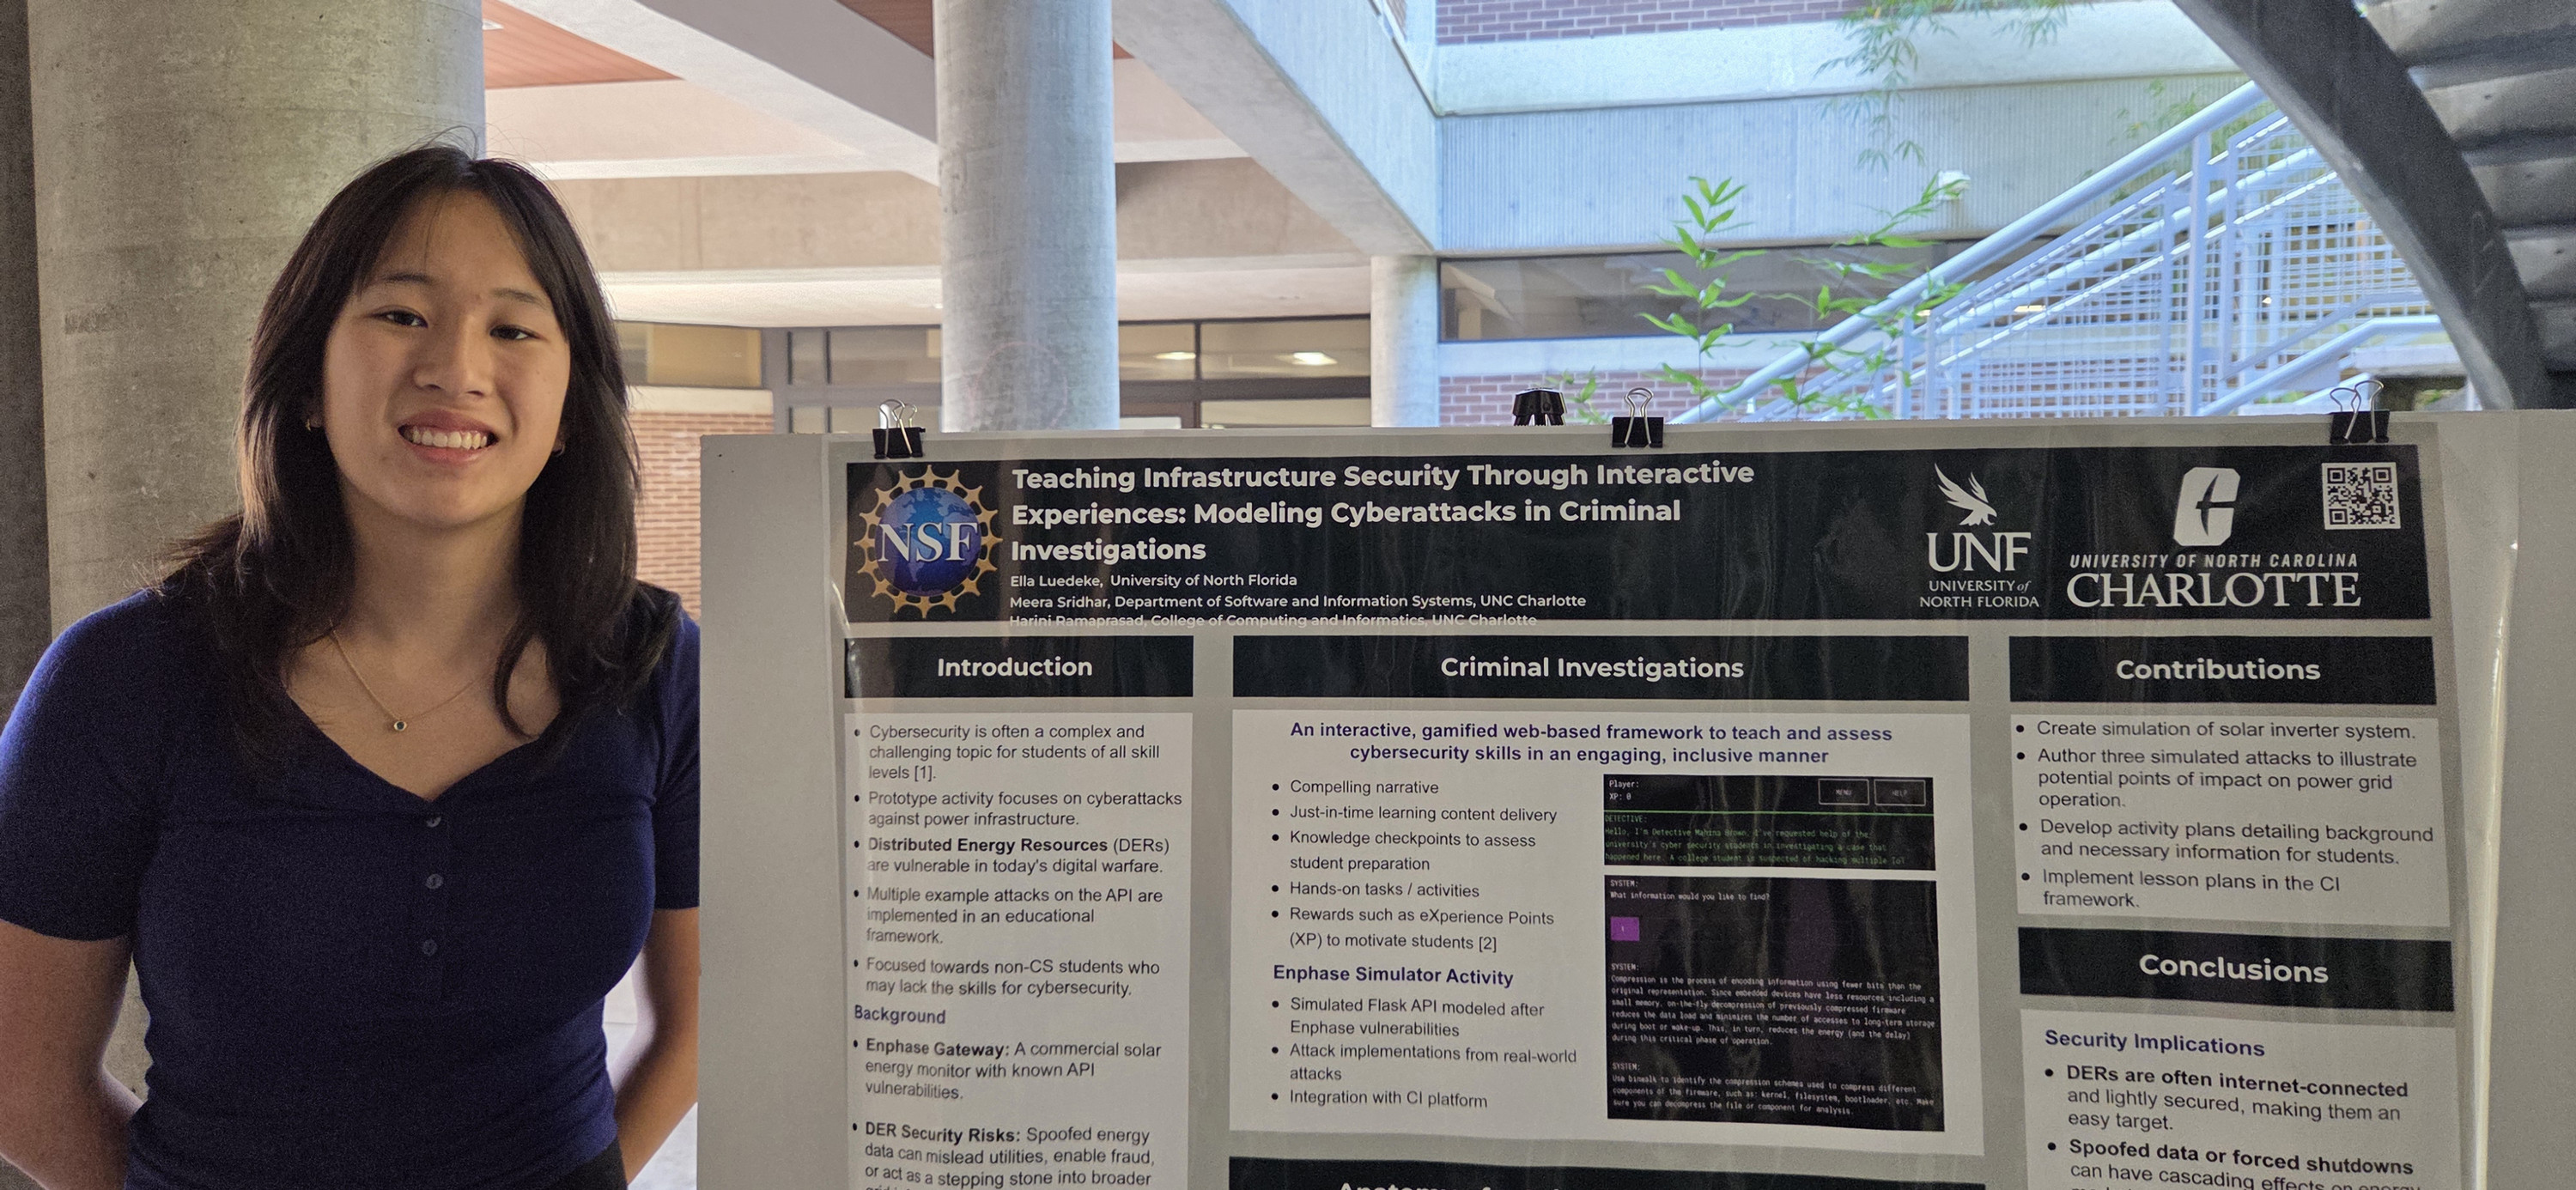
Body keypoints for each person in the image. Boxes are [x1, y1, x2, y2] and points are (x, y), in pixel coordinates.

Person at [0, 145, 699, 1190]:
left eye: (514, 328)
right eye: (402, 315)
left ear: (567, 412)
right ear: (310, 382)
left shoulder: (650, 667)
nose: (456, 367)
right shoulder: (124, 680)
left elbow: (705, 1018)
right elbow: (20, 1076)